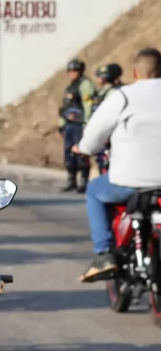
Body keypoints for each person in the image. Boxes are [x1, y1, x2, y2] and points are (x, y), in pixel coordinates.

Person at [75, 48, 161, 282]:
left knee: (94, 191)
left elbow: (93, 136)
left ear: (135, 72)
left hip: (131, 183)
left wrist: (83, 149)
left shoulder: (124, 96)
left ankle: (104, 253)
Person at [59, 58, 97, 193]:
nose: (72, 73)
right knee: (69, 154)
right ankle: (72, 181)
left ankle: (84, 182)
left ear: (80, 71)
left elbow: (88, 105)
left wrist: (87, 123)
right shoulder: (71, 86)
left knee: (81, 153)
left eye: (75, 70)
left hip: (80, 124)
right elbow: (65, 107)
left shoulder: (85, 84)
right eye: (70, 70)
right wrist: (62, 124)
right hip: (70, 124)